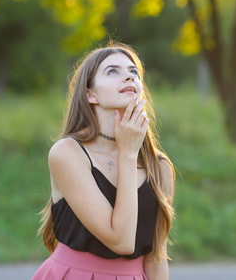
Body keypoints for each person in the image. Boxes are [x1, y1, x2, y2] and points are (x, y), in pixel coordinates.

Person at [32, 42, 175, 280]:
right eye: (113, 71)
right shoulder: (67, 153)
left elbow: (155, 258)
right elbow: (121, 241)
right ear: (91, 94)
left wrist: (130, 151)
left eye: (133, 73)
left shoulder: (159, 166)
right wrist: (128, 154)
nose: (129, 78)